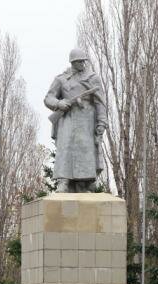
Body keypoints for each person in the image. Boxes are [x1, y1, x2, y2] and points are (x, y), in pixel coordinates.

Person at [44, 48, 107, 193]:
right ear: (72, 62)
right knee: (65, 149)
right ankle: (63, 181)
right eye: (79, 62)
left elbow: (100, 103)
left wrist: (102, 122)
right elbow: (49, 98)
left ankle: (84, 183)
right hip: (67, 118)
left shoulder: (92, 78)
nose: (82, 64)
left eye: (83, 61)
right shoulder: (61, 79)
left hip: (87, 120)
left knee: (85, 150)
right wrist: (59, 104)